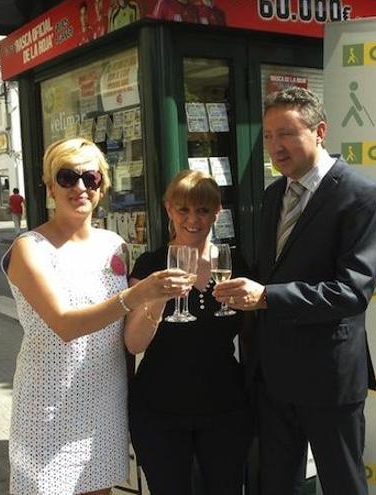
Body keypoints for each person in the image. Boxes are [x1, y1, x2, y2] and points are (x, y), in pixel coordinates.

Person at [213, 87, 376, 495]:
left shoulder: (362, 196)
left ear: (320, 131)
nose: (275, 146)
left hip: (327, 375)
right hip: (272, 375)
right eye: (269, 135)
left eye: (287, 134)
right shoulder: (274, 194)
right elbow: (266, 271)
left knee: (343, 484)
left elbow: (352, 291)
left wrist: (268, 297)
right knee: (277, 483)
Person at [2, 137, 189, 495]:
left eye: (91, 178)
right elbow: (65, 324)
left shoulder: (114, 245)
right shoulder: (30, 248)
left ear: (102, 186)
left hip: (105, 399)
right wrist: (136, 294)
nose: (80, 188)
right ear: (49, 187)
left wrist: (154, 303)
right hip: (48, 405)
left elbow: (124, 333)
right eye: (67, 177)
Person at [124, 170, 252, 494]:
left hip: (224, 408)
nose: (192, 219)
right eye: (183, 209)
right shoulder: (151, 265)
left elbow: (254, 330)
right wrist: (159, 297)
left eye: (202, 210)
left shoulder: (233, 264)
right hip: (159, 410)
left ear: (216, 213)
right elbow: (133, 341)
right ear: (169, 209)